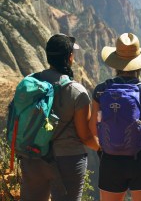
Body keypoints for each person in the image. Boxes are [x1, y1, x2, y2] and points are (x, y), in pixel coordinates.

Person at [20, 33, 99, 201]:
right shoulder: (77, 92)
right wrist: (102, 148)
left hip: (33, 155)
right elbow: (85, 136)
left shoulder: (32, 84)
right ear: (70, 57)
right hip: (67, 160)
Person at [89, 32, 141, 201]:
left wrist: (107, 145)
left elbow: (92, 127)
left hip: (111, 161)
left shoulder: (101, 90)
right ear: (140, 64)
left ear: (115, 63)